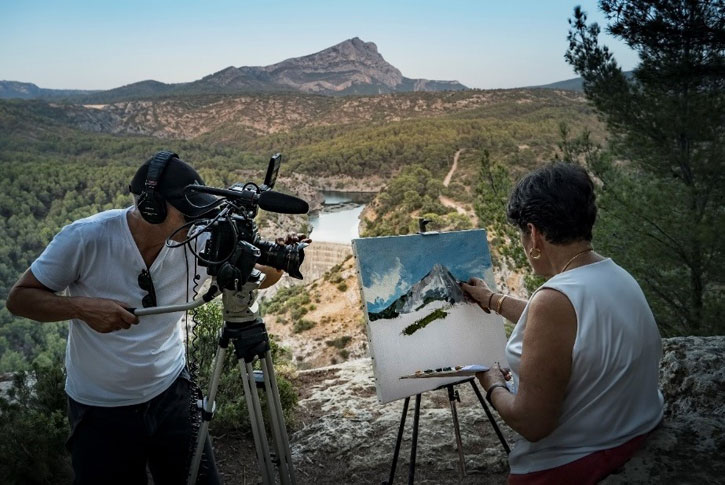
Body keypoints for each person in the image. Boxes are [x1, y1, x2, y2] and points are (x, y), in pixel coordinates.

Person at [6, 151, 296, 484]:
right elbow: (20, 299)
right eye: (186, 212)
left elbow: (261, 277)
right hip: (100, 410)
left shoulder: (198, 237)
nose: (197, 221)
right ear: (151, 208)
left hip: (172, 393)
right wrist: (83, 308)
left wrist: (276, 261)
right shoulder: (85, 237)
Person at [461, 163, 664, 484]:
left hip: (572, 463)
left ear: (535, 234)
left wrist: (492, 384)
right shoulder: (615, 275)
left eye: (522, 235)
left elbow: (532, 424)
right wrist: (492, 299)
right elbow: (566, 323)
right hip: (634, 431)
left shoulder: (555, 300)